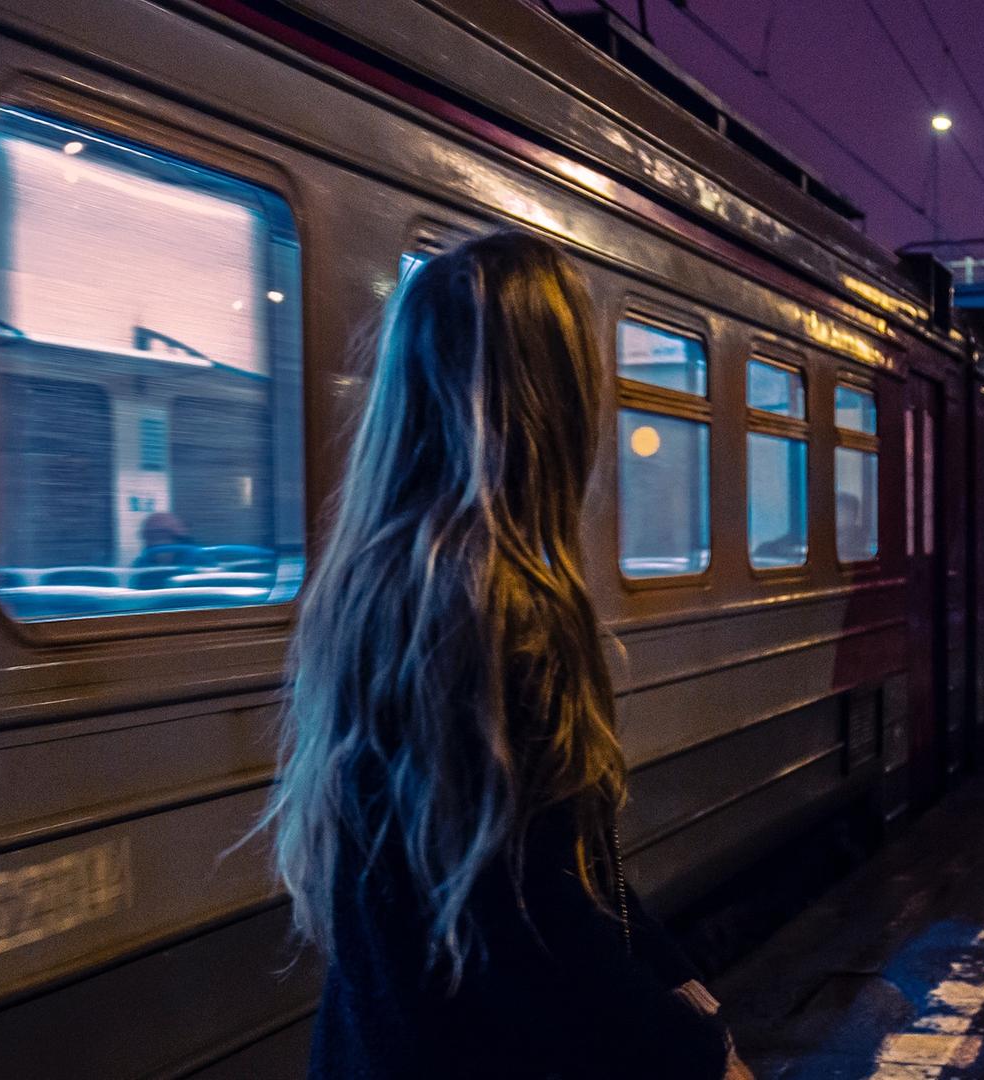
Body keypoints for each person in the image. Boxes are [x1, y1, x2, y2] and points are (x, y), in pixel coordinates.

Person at [258, 231, 749, 1079]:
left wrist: (675, 982)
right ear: (551, 398)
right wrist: (701, 1054)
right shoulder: (506, 605)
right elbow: (537, 924)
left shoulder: (372, 584)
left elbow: (549, 876)